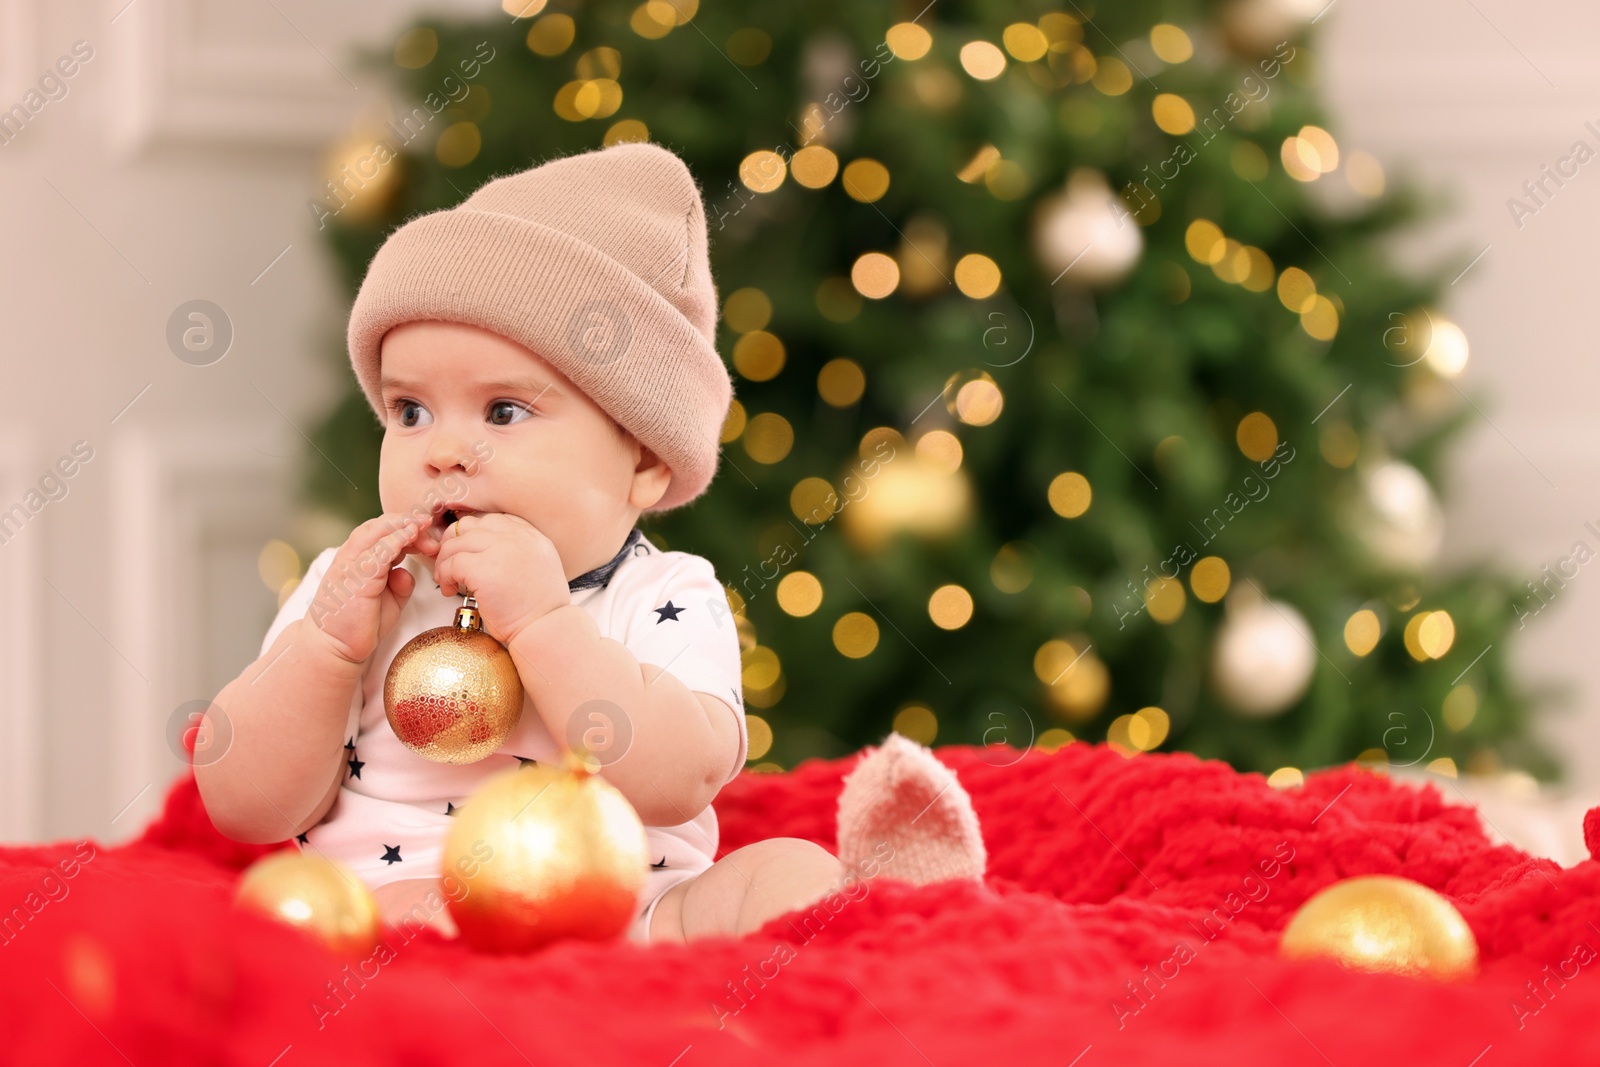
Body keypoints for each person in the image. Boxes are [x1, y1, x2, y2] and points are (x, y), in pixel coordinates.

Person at [194, 142, 986, 944]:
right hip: (400, 895)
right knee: (390, 922)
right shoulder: (355, 590)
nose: (440, 451)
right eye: (409, 412)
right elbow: (246, 803)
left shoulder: (664, 593)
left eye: (503, 411)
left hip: (635, 913)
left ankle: (883, 915)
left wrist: (543, 622)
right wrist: (327, 648)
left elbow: (684, 779)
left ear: (642, 459)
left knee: (777, 869)